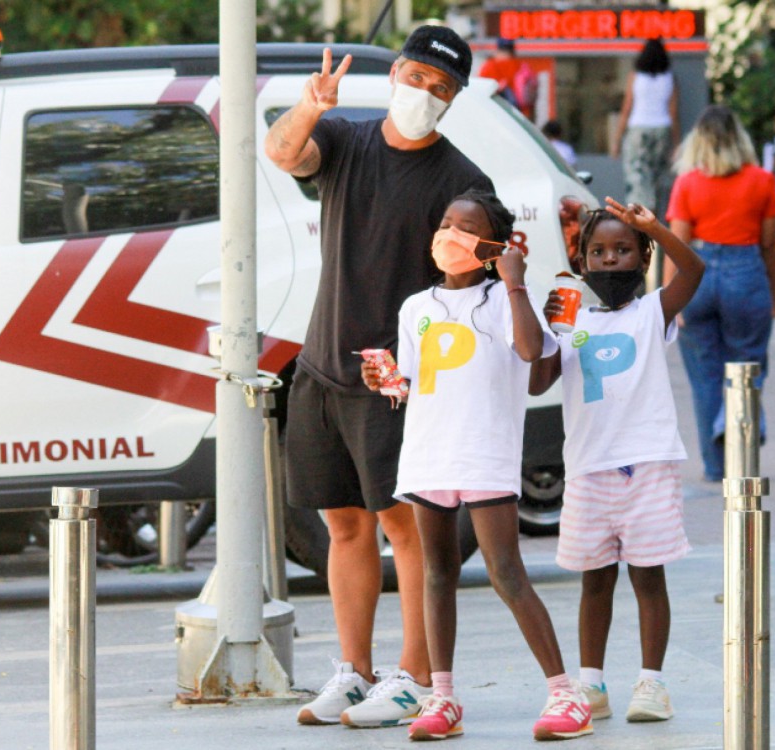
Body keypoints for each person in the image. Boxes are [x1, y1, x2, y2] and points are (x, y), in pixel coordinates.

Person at [263, 27, 493, 728]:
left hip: (400, 382)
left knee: (408, 528)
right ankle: (353, 671)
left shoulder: (463, 180)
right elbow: (282, 152)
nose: (424, 95)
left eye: (441, 88)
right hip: (323, 365)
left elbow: (471, 280)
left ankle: (416, 676)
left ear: (455, 100)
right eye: (417, 78)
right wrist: (311, 104)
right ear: (394, 73)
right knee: (342, 524)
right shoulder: (346, 141)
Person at [363, 191, 593, 742]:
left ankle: (566, 693)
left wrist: (514, 281)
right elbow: (414, 383)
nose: (450, 235)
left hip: (484, 453)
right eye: (445, 223)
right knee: (436, 575)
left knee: (506, 574)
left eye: (466, 229)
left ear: (491, 245)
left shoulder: (505, 298)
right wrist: (385, 383)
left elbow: (531, 353)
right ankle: (441, 697)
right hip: (428, 453)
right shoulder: (416, 306)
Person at [529, 197, 704, 723]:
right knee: (594, 579)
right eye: (598, 251)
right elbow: (539, 381)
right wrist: (546, 327)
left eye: (623, 249)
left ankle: (651, 684)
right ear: (581, 261)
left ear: (643, 259)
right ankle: (592, 685)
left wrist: (655, 226)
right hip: (588, 468)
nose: (610, 259)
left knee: (649, 578)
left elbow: (694, 269)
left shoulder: (653, 312)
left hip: (648, 464)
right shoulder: (570, 316)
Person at [665, 105, 775, 482]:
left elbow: (677, 245)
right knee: (747, 365)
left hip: (698, 274)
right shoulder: (762, 180)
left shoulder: (687, 183)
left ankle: (715, 466)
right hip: (746, 274)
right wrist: (774, 293)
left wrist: (670, 299)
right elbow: (768, 245)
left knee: (704, 376)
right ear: (739, 138)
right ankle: (738, 436)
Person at [611, 38, 679, 211]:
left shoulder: (635, 76)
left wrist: (617, 140)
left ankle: (637, 222)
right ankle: (653, 221)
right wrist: (676, 145)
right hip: (661, 130)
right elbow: (673, 113)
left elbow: (626, 108)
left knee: (637, 180)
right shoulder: (670, 78)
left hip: (638, 131)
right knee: (656, 182)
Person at [478, 38, 538, 121]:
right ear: (513, 50)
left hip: (498, 116)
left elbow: (481, 92)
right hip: (522, 116)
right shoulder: (523, 67)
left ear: (497, 49)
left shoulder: (488, 67)